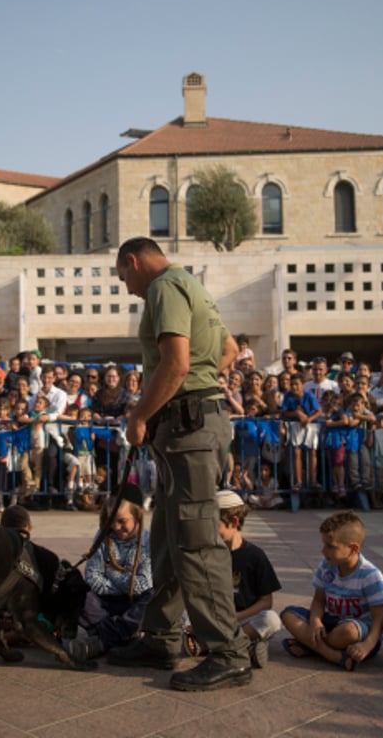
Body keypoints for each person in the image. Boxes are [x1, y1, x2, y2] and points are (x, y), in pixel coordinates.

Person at [107, 236, 252, 692]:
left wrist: (139, 415)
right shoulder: (192, 285)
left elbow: (175, 362)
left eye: (123, 277)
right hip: (193, 422)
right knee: (168, 538)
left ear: (132, 261)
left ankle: (228, 653)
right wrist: (201, 385)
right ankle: (162, 637)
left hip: (188, 427)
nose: (128, 289)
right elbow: (228, 349)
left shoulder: (163, 287)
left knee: (195, 540)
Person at [280, 510, 383, 671]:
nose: (324, 551)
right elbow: (319, 600)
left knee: (349, 631)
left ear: (353, 548)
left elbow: (379, 618)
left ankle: (311, 646)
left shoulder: (370, 575)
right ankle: (334, 656)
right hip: (330, 623)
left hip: (359, 633)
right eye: (324, 545)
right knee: (288, 615)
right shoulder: (326, 565)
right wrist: (315, 621)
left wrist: (367, 645)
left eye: (331, 547)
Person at [65, 483, 153, 663]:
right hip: (106, 605)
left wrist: (110, 572)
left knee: (153, 596)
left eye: (122, 521)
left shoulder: (148, 541)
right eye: (111, 520)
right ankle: (124, 633)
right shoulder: (103, 536)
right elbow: (92, 576)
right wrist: (123, 582)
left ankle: (103, 640)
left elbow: (142, 585)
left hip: (134, 605)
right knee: (76, 589)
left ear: (139, 515)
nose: (115, 526)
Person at [194, 489, 281, 669]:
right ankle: (244, 649)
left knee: (271, 620)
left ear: (233, 522)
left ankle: (214, 646)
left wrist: (236, 617)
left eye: (214, 526)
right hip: (213, 619)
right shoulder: (207, 554)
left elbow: (266, 602)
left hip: (241, 620)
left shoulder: (255, 556)